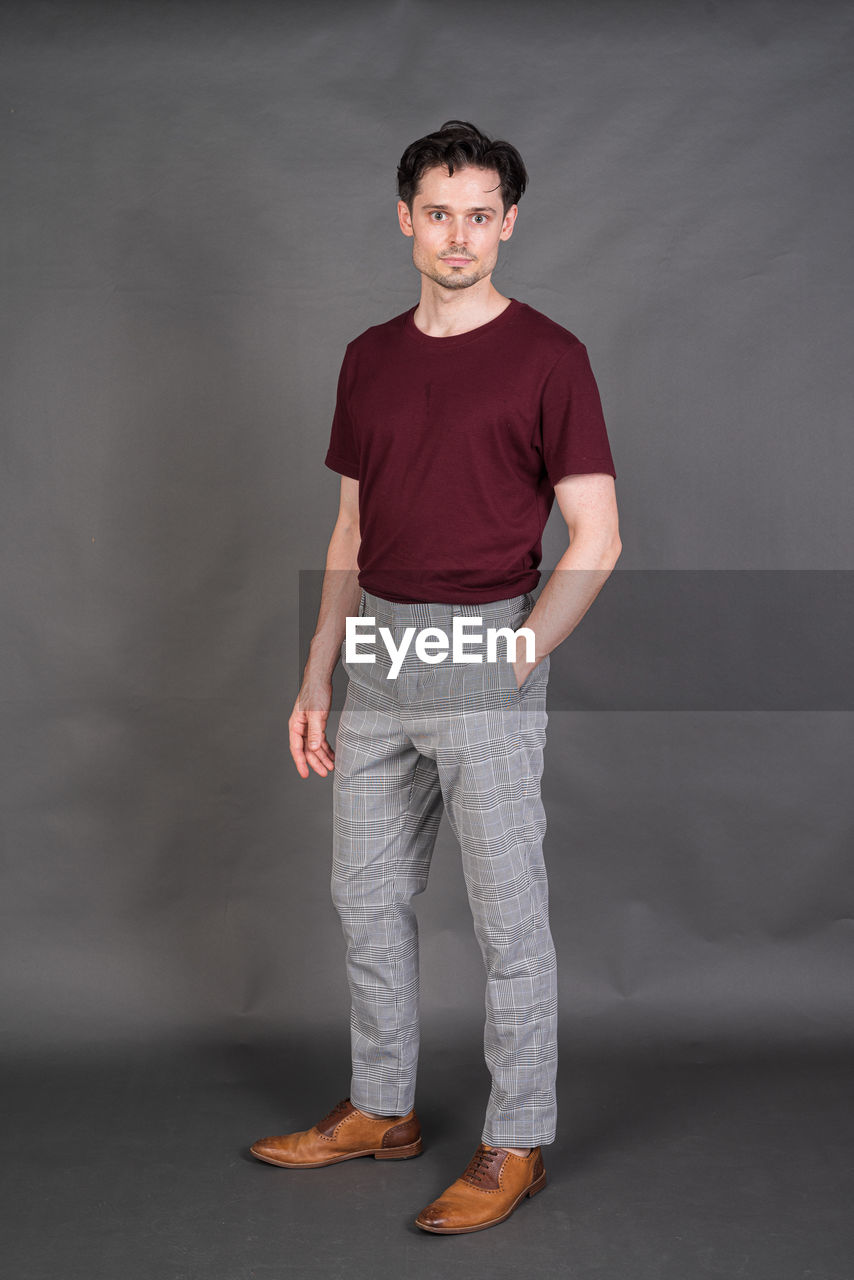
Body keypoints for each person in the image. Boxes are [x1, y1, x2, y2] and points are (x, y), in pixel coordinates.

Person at [250, 120, 621, 1234]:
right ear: (404, 218)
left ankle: (516, 1139)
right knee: (363, 897)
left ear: (506, 222)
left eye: (479, 214)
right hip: (380, 651)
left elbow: (595, 535)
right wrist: (318, 668)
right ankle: (381, 1104)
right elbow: (352, 524)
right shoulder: (367, 356)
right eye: (436, 211)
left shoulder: (549, 355)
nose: (457, 234)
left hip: (482, 643)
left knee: (509, 919)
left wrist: (525, 644)